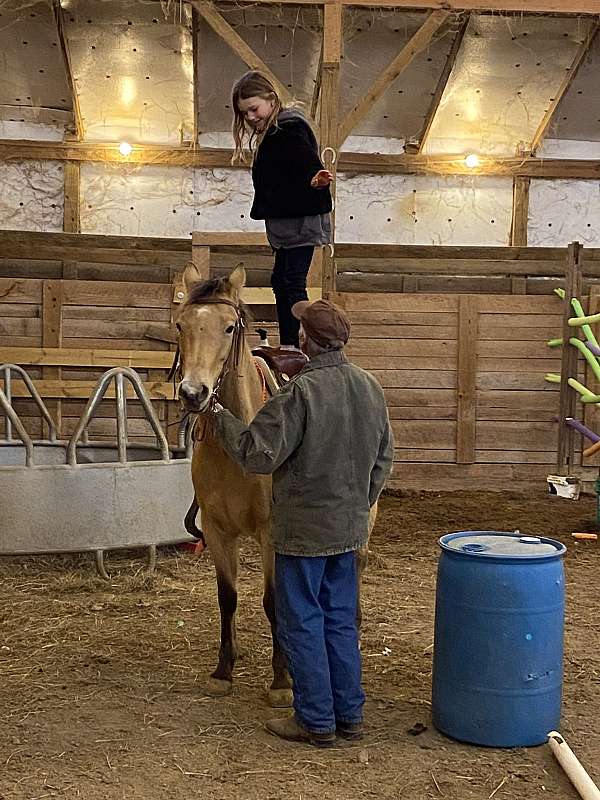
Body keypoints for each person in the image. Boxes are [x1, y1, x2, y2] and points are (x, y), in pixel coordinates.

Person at [210, 298, 394, 747]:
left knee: (304, 622)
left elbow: (258, 454)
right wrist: (357, 504)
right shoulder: (369, 386)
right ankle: (349, 716)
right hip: (347, 532)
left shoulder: (299, 394)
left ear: (309, 340)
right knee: (340, 621)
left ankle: (314, 719)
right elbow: (384, 458)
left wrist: (218, 416)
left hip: (302, 536)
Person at [231, 71, 333, 351]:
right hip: (290, 223)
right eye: (245, 114)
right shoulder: (276, 133)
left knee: (292, 281)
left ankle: (298, 343)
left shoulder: (289, 129)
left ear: (272, 100)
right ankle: (290, 341)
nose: (251, 117)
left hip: (300, 223)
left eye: (254, 109)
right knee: (281, 280)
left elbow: (306, 162)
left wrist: (314, 180)